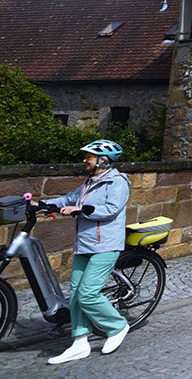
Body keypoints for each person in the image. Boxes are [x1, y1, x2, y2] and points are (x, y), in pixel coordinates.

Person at [37, 139, 132, 364]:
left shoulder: (117, 182)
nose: (84, 160)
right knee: (76, 294)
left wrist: (80, 210)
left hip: (106, 245)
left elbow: (110, 210)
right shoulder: (89, 182)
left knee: (88, 293)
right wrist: (42, 204)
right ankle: (80, 342)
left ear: (103, 159)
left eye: (88, 157)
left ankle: (117, 326)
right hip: (84, 244)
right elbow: (69, 199)